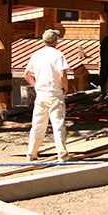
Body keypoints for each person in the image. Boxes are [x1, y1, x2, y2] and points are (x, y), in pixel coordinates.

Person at [24, 29, 70, 162]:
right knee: (58, 124)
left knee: (37, 125)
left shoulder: (36, 55)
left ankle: (31, 153)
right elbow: (62, 74)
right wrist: (65, 87)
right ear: (56, 40)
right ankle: (62, 153)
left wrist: (36, 86)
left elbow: (27, 74)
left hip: (41, 94)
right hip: (54, 93)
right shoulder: (58, 55)